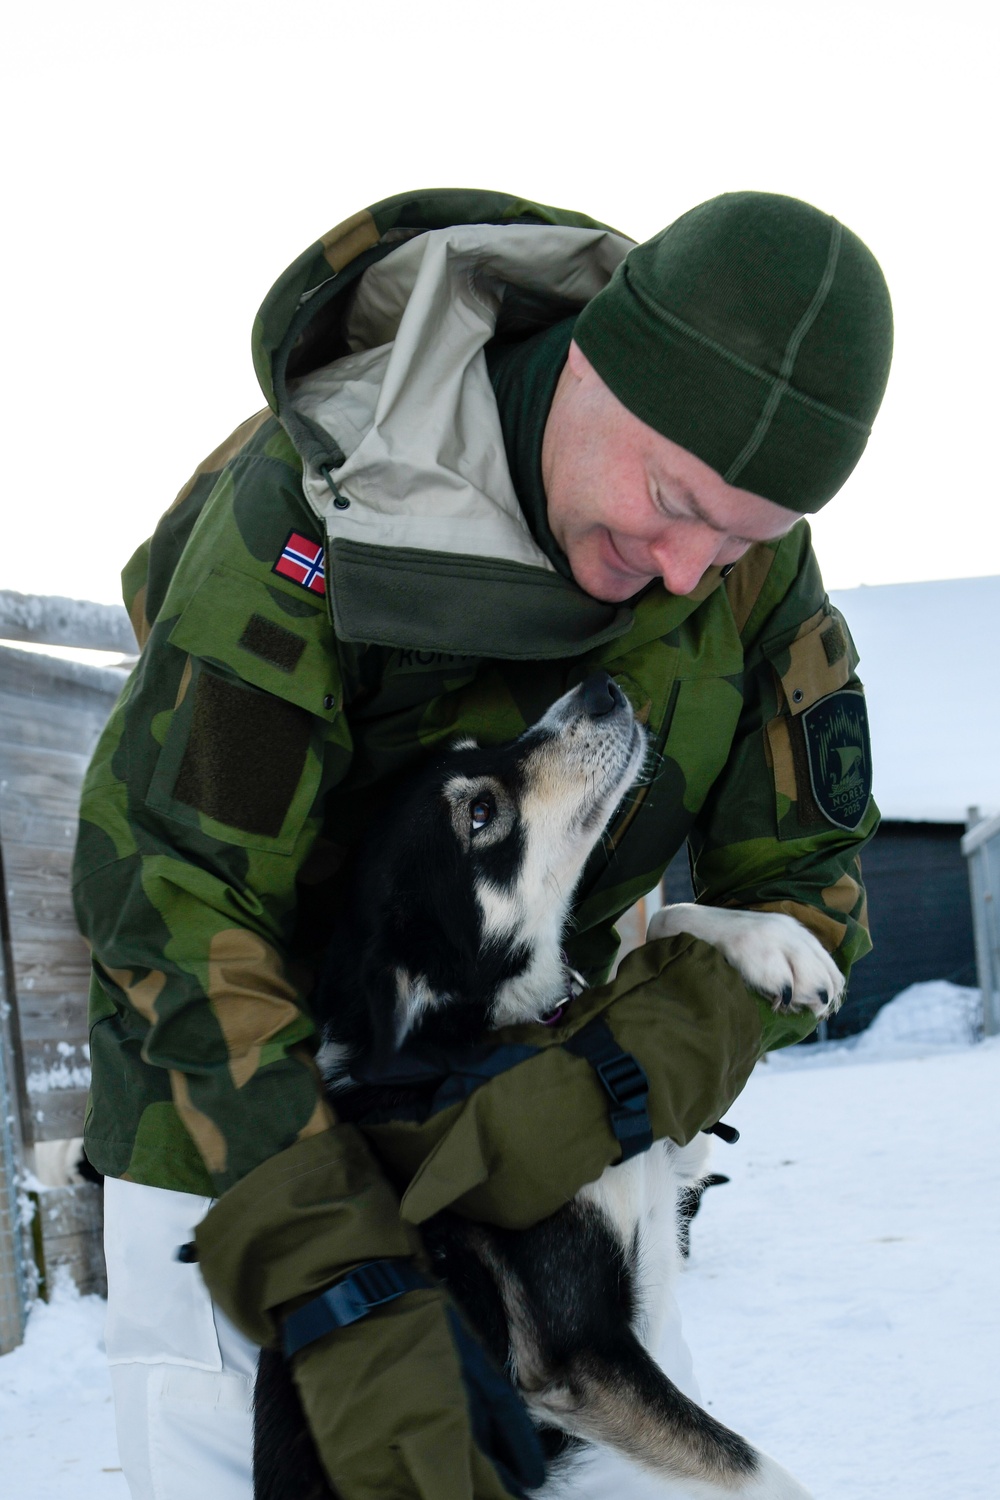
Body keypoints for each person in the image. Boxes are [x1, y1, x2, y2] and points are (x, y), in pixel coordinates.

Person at [73, 187, 892, 1500]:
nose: (691, 570)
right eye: (674, 498)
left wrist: (615, 1082)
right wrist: (339, 1274)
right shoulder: (313, 499)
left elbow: (810, 894)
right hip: (236, 1152)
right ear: (592, 366)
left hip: (548, 1163)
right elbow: (171, 891)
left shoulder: (739, 559)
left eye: (745, 535)